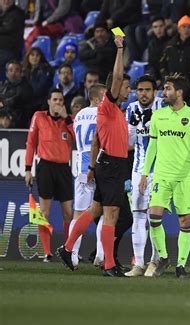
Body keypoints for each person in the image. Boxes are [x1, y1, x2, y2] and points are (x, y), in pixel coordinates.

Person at [58, 34, 132, 277]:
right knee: (111, 215)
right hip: (111, 165)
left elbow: (98, 141)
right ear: (114, 89)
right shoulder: (109, 108)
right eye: (126, 86)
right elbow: (118, 76)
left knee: (94, 211)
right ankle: (109, 265)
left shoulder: (116, 112)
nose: (128, 89)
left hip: (108, 164)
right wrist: (120, 49)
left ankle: (68, 248)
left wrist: (92, 166)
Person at [138, 72, 190, 278]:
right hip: (161, 175)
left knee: (185, 222)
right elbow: (152, 147)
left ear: (179, 92)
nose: (163, 92)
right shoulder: (158, 115)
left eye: (168, 88)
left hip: (185, 177)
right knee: (154, 216)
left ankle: (181, 266)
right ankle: (164, 257)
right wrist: (144, 173)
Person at [24, 88, 75, 262]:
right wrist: (28, 169)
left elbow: (77, 136)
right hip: (45, 167)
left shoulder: (69, 121)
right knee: (44, 212)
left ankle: (69, 250)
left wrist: (66, 117)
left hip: (64, 168)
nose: (58, 103)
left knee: (68, 213)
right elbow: (31, 142)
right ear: (48, 101)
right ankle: (47, 253)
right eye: (55, 100)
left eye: (61, 100)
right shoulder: (39, 116)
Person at [125, 75, 164, 277]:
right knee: (138, 216)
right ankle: (139, 264)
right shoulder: (131, 109)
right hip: (138, 169)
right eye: (140, 90)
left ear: (154, 92)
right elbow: (128, 143)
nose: (143, 94)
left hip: (160, 169)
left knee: (155, 217)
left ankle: (155, 261)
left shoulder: (164, 107)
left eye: (147, 90)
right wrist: (132, 129)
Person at [69, 84, 107, 268]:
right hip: (99, 167)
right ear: (98, 98)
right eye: (106, 95)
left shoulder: (79, 116)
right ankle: (101, 254)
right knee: (105, 213)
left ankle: (72, 255)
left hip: (81, 169)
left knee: (78, 214)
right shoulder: (103, 114)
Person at [0, 60, 33, 128]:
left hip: (19, 122)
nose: (13, 73)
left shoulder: (26, 87)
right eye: (11, 70)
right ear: (6, 73)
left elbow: (15, 100)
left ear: (21, 73)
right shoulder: (2, 86)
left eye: (17, 70)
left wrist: (3, 104)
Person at [21, 47, 54, 113]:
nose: (34, 57)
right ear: (28, 56)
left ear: (41, 57)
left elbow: (38, 90)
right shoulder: (23, 70)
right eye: (32, 55)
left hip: (39, 105)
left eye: (37, 55)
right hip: (26, 104)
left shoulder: (45, 70)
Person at [0, 0, 25, 81]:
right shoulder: (2, 13)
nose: (6, 1)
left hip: (10, 51)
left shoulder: (18, 13)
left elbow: (8, 29)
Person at [146, 16, 170, 84]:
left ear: (165, 26)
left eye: (161, 26)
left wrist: (160, 80)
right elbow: (151, 64)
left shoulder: (171, 42)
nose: (158, 29)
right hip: (156, 77)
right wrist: (155, 79)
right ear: (152, 29)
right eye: (155, 27)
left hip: (167, 77)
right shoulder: (152, 44)